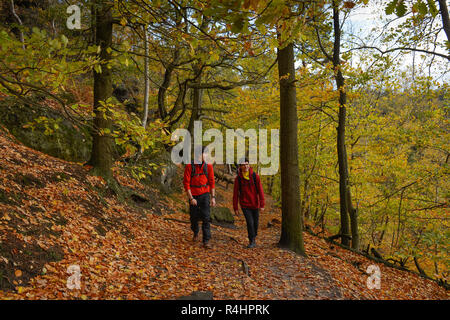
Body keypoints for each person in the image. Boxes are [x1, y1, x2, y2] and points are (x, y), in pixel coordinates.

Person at [183, 146, 216, 248]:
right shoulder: (189, 166)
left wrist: (213, 197)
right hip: (193, 195)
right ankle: (195, 231)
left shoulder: (208, 166)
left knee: (206, 217)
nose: (205, 156)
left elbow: (212, 182)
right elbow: (186, 183)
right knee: (194, 218)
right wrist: (191, 198)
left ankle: (206, 241)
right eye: (204, 154)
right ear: (198, 155)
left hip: (205, 194)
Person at [233, 158, 265, 248]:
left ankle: (254, 236)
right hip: (245, 205)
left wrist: (262, 204)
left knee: (255, 223)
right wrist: (235, 207)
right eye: (243, 165)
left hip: (255, 204)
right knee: (250, 223)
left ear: (249, 165)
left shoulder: (255, 176)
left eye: (247, 164)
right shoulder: (238, 179)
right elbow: (235, 194)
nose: (245, 166)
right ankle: (251, 241)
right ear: (240, 167)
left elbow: (261, 191)